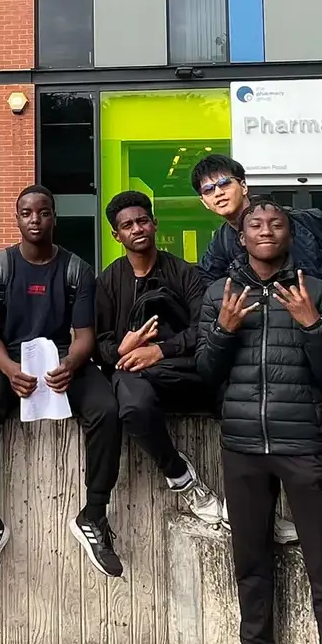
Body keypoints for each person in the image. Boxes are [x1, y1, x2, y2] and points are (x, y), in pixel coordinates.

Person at [195, 198, 322, 644]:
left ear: (289, 235)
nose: (266, 231)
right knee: (250, 563)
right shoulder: (220, 294)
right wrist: (222, 330)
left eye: (276, 224)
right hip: (242, 445)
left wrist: (312, 324)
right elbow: (204, 372)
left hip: (304, 446)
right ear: (240, 237)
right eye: (255, 225)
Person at [0, 186, 122, 580]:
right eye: (26, 213)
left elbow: (85, 334)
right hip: (9, 359)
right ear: (16, 218)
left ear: (55, 217)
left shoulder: (76, 269)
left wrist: (71, 362)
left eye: (43, 213)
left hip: (62, 359)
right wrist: (7, 369)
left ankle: (95, 515)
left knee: (106, 408)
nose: (35, 220)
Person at [94, 191, 222, 525]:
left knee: (237, 395)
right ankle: (180, 476)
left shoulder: (185, 273)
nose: (136, 228)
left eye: (142, 221)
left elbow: (204, 328)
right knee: (133, 404)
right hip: (134, 374)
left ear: (154, 223)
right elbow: (99, 343)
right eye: (127, 225)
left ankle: (261, 506)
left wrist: (160, 350)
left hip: (183, 367)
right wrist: (124, 348)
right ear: (116, 235)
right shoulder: (108, 281)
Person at [188, 154, 322, 305]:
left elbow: (320, 280)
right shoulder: (222, 238)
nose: (218, 193)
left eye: (224, 183)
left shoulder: (285, 224)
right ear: (204, 202)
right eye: (208, 190)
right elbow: (205, 279)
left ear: (243, 187)